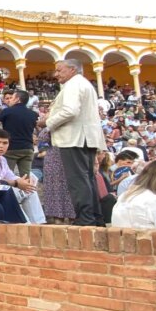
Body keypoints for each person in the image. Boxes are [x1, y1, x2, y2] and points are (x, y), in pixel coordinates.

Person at [43, 59, 107, 226]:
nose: (56, 74)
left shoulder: (72, 84)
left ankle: (85, 219)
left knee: (77, 180)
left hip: (74, 138)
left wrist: (48, 122)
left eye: (59, 70)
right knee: (87, 178)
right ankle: (94, 217)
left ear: (72, 70)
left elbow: (70, 111)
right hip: (86, 137)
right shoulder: (84, 84)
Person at [0, 129, 46, 224]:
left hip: (2, 190)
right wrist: (16, 183)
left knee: (29, 189)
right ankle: (26, 224)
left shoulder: (2, 159)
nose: (1, 146)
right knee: (17, 190)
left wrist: (22, 182)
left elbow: (10, 175)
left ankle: (39, 223)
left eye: (5, 143)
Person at [0, 89, 38, 177]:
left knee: (7, 177)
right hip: (27, 148)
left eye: (12, 98)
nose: (10, 100)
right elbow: (38, 128)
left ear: (17, 99)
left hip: (11, 148)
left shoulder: (6, 111)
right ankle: (27, 190)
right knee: (26, 177)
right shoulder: (33, 114)